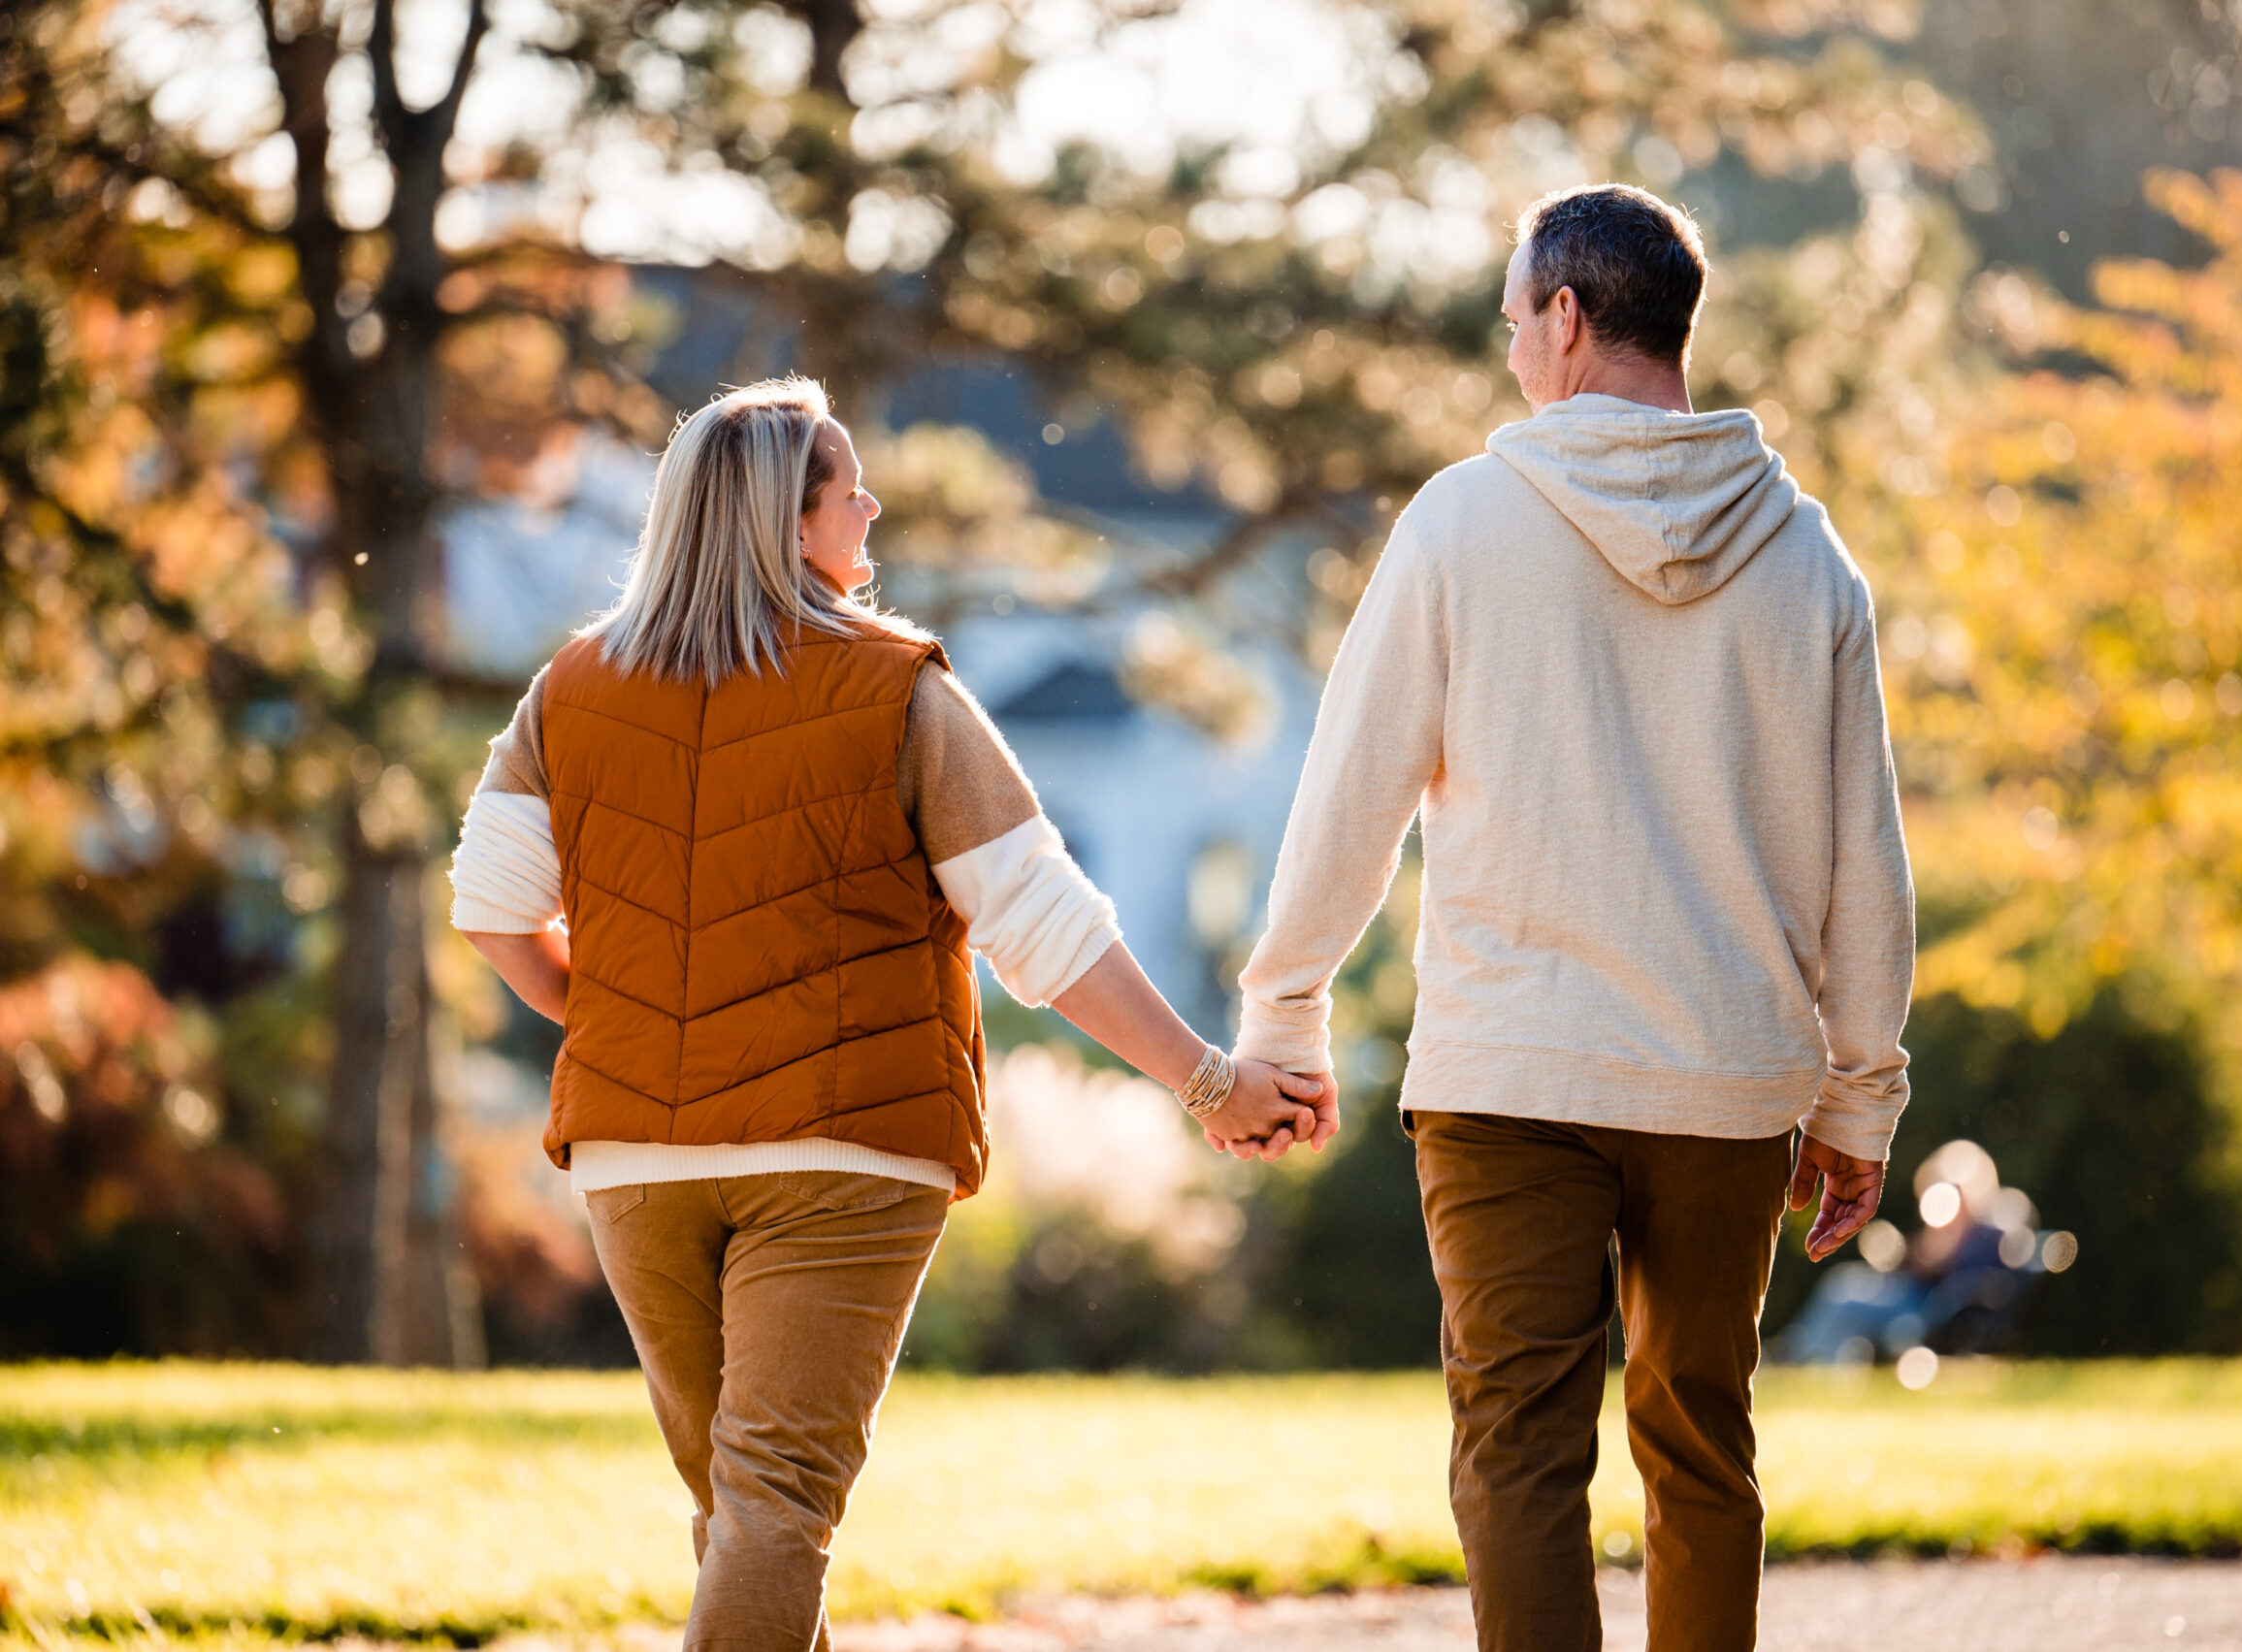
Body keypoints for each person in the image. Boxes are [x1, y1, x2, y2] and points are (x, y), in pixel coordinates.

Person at [446, 376, 1336, 1652]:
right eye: (845, 489)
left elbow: (490, 909)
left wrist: (615, 1012)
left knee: (743, 1513)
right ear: (785, 525)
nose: (872, 505)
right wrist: (1208, 1081)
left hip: (637, 1156)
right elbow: (1045, 925)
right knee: (772, 1508)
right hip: (841, 1147)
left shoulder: (569, 691)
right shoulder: (898, 690)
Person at [1232, 184, 1915, 1652]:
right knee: (1702, 1443)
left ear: (1564, 318)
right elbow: (1870, 857)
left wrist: (1284, 1011)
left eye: (1510, 322)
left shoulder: (1464, 525)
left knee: (1521, 1453)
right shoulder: (1808, 560)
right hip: (1725, 1081)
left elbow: (1353, 789)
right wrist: (1860, 1098)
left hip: (1510, 1076)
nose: (1509, 354)